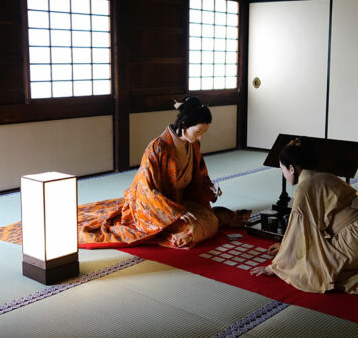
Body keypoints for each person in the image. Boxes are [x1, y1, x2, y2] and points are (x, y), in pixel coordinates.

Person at [78, 96, 249, 249]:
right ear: (183, 125)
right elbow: (147, 190)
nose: (200, 138)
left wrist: (210, 189)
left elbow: (200, 176)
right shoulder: (158, 148)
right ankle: (177, 234)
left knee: (210, 222)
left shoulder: (193, 145)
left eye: (203, 133)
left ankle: (185, 232)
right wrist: (176, 212)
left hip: (180, 201)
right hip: (155, 206)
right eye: (198, 132)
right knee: (194, 227)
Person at [250, 138, 358, 301]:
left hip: (356, 245)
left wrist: (275, 267)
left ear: (291, 168)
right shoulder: (324, 176)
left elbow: (300, 231)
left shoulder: (305, 187)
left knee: (313, 269)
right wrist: (285, 246)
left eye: (282, 168)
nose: (282, 173)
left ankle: (355, 268)